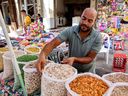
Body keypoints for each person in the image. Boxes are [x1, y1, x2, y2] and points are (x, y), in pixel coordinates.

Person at [36, 8, 102, 73]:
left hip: (88, 72)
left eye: (90, 21)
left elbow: (90, 58)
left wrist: (74, 59)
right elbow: (52, 44)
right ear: (80, 17)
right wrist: (43, 54)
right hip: (71, 71)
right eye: (83, 18)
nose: (85, 23)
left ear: (94, 22)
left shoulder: (97, 37)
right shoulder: (70, 31)